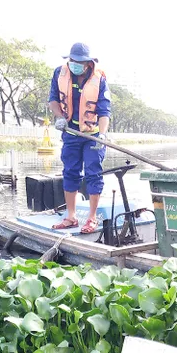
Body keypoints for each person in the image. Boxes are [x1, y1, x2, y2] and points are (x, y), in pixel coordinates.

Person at [48, 42, 112, 234]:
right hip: (71, 133)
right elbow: (53, 99)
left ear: (89, 63)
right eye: (73, 60)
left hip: (92, 135)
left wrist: (102, 135)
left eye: (80, 62)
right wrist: (59, 117)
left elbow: (104, 110)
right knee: (70, 172)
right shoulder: (59, 73)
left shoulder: (99, 79)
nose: (76, 64)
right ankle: (71, 217)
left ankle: (91, 218)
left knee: (93, 173)